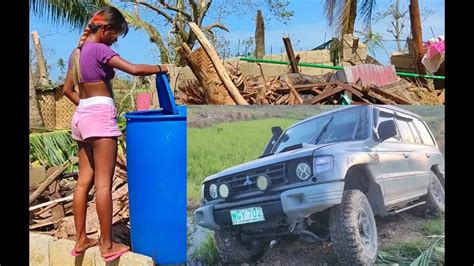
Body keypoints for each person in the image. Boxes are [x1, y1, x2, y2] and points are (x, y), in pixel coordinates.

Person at [63, 5, 168, 262]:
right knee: (103, 184)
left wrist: (87, 109)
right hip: (99, 118)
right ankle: (107, 245)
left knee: (83, 182)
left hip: (82, 117)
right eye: (115, 34)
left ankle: (81, 239)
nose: (116, 39)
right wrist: (160, 67)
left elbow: (67, 90)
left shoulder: (76, 53)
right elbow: (133, 69)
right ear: (106, 28)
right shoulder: (99, 49)